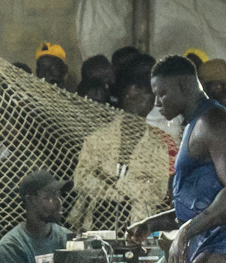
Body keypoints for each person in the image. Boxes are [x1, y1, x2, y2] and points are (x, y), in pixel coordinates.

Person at [129, 56, 226, 263]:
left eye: (162, 93)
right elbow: (200, 205)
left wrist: (185, 232)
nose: (157, 103)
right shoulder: (194, 125)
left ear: (185, 86)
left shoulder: (214, 122)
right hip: (213, 241)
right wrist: (152, 223)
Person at [70, 79, 171, 233]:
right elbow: (81, 179)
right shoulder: (98, 140)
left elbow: (158, 191)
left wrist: (114, 182)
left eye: (151, 101)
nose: (149, 105)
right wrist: (127, 190)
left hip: (137, 227)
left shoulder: (156, 146)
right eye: (144, 98)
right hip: (97, 225)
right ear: (129, 94)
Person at [0, 170, 71, 263]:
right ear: (30, 201)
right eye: (49, 197)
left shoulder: (67, 237)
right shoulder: (11, 246)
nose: (59, 202)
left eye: (58, 195)